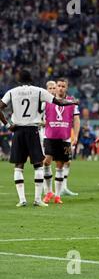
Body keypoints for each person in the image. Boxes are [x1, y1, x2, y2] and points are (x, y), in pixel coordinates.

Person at [0, 70, 79, 207]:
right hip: (33, 130)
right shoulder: (39, 91)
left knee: (19, 166)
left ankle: (22, 200)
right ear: (31, 79)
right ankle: (37, 199)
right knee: (38, 165)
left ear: (19, 80)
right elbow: (58, 102)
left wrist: (7, 125)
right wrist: (72, 102)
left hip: (18, 130)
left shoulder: (12, 92)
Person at [42, 78, 80, 204]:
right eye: (59, 86)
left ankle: (57, 196)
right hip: (49, 137)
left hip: (65, 138)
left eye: (63, 86)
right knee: (46, 162)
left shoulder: (71, 102)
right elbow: (40, 116)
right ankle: (48, 192)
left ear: (66, 88)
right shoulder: (47, 101)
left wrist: (76, 135)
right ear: (56, 87)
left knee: (60, 165)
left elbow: (76, 120)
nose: (60, 88)